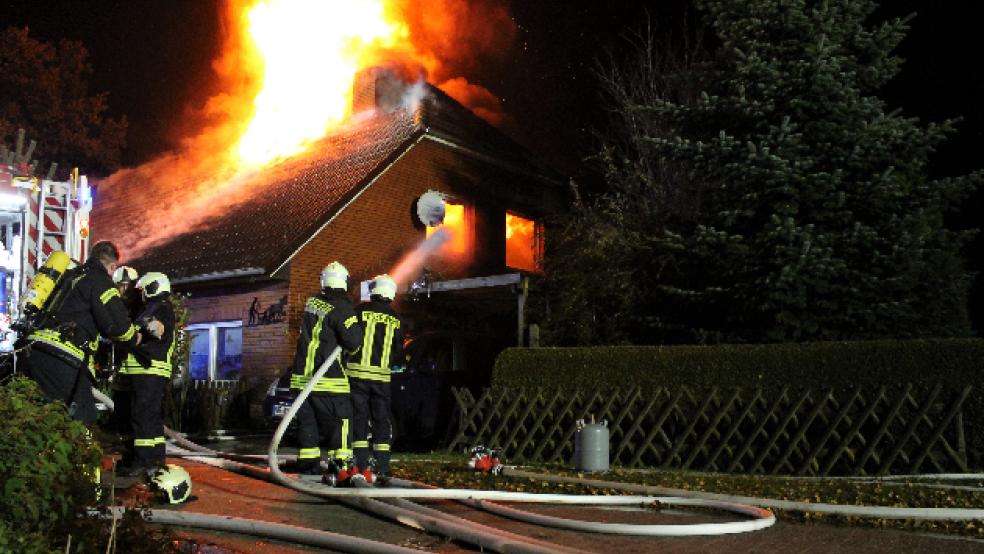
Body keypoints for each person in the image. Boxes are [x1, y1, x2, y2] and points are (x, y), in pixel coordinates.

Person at [22, 241, 140, 425]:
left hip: (34, 350)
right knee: (80, 420)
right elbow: (120, 328)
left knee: (36, 415)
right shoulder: (102, 283)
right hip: (64, 358)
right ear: (112, 266)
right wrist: (136, 337)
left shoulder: (70, 275)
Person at [290, 261, 363, 480]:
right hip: (328, 379)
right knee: (342, 420)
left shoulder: (312, 302)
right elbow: (354, 342)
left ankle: (308, 467)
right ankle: (341, 466)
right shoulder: (341, 307)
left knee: (307, 425)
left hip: (301, 379)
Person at [347, 274, 404, 482]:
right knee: (381, 422)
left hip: (357, 377)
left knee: (359, 421)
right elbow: (399, 352)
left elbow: (348, 339)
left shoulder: (359, 311)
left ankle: (362, 466)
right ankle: (383, 467)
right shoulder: (396, 319)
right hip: (381, 380)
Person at [116, 271, 173, 476]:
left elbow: (158, 329)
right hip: (145, 371)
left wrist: (149, 326)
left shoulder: (160, 308)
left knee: (143, 418)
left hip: (149, 369)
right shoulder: (150, 307)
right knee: (148, 419)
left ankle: (144, 463)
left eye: (143, 290)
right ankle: (154, 461)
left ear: (152, 287)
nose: (140, 295)